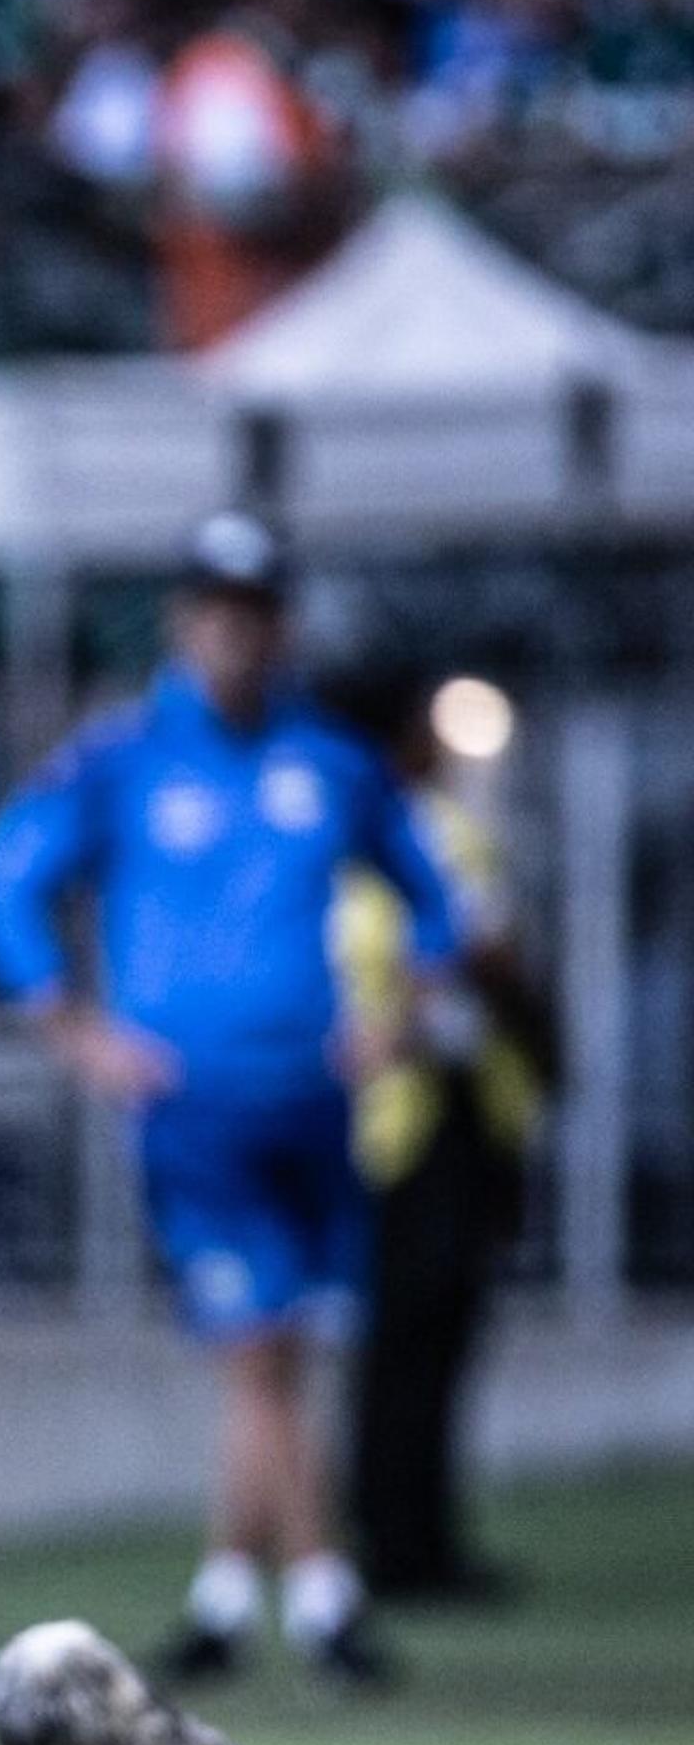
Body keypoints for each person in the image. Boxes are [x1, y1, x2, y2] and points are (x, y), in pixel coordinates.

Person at [0, 514, 460, 1693]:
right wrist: (77, 1029)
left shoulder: (333, 764)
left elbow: (438, 897)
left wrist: (398, 1019)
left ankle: (227, 1597)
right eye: (215, 608)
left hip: (314, 1100)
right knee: (262, 1349)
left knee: (284, 1355)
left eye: (255, 610)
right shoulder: (125, 756)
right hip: (198, 1110)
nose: (235, 632)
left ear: (280, 623)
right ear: (188, 622)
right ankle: (328, 1593)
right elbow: (7, 881)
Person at [328, 671, 550, 1609]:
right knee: (417, 1338)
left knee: (411, 1339)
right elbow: (479, 953)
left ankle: (401, 1536)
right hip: (419, 1120)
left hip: (417, 1115)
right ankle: (402, 1545)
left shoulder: (346, 832)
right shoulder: (414, 828)